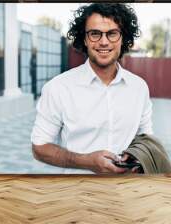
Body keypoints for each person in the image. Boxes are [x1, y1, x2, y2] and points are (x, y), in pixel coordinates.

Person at [30, 3, 152, 174]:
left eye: (112, 34)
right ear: (85, 39)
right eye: (95, 34)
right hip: (78, 195)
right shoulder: (58, 87)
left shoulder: (140, 88)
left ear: (123, 38)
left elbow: (146, 139)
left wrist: (140, 159)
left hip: (128, 191)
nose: (103, 42)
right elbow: (39, 148)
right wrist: (86, 162)